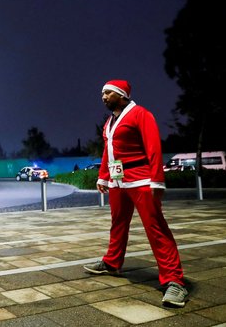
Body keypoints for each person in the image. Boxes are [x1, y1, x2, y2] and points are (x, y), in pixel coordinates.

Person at [83, 79, 188, 307]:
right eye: (102, 93)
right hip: (118, 181)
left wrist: (157, 180)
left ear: (121, 94)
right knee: (117, 222)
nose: (103, 97)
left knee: (156, 228)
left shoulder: (141, 114)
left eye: (108, 93)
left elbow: (153, 146)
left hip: (141, 179)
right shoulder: (110, 122)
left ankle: (175, 282)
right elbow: (107, 151)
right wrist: (103, 176)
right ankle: (112, 262)